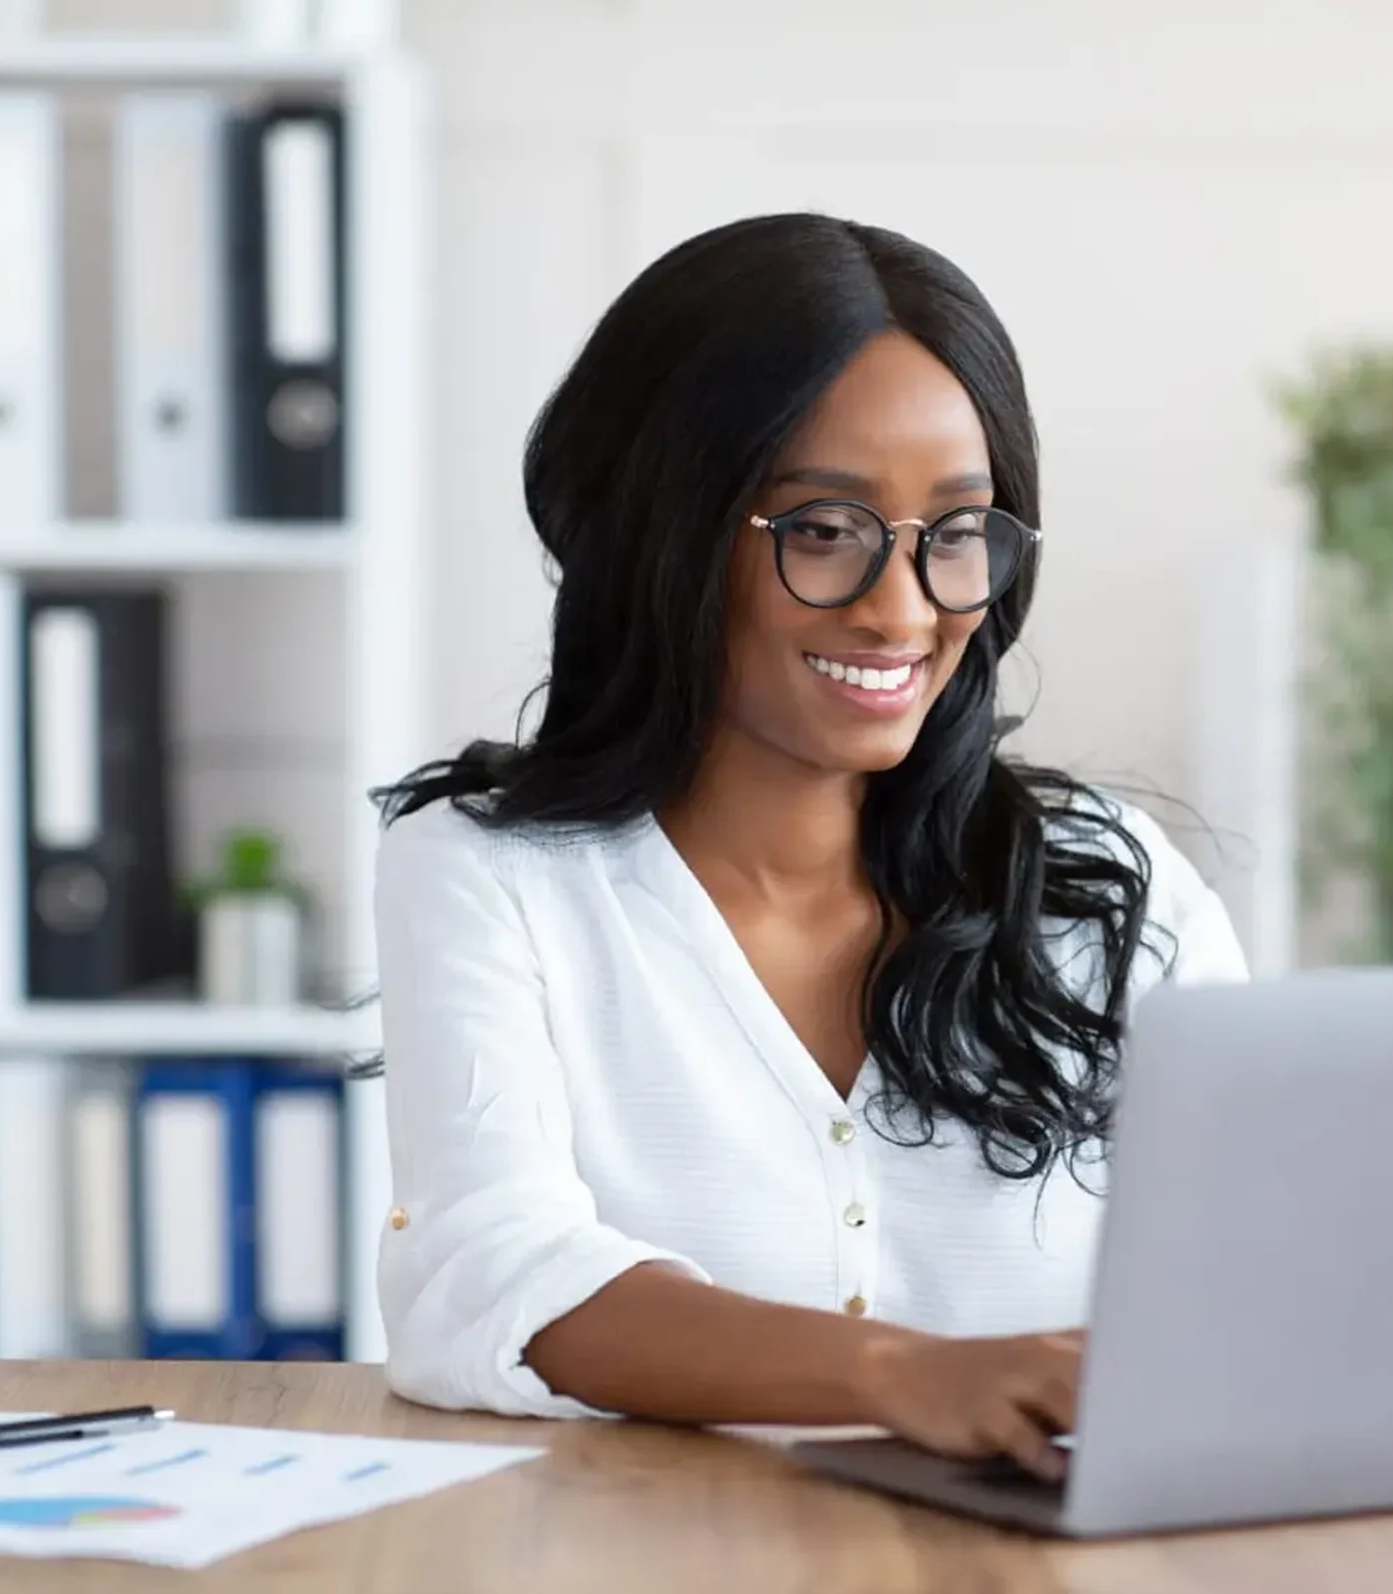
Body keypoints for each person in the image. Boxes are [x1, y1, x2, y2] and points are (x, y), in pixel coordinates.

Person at [371, 212, 1247, 1482]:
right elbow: (486, 1277)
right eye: (824, 529)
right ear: (661, 533)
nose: (902, 609)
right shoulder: (491, 878)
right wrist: (902, 1374)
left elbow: (1265, 1279)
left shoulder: (1114, 892)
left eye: (954, 534)